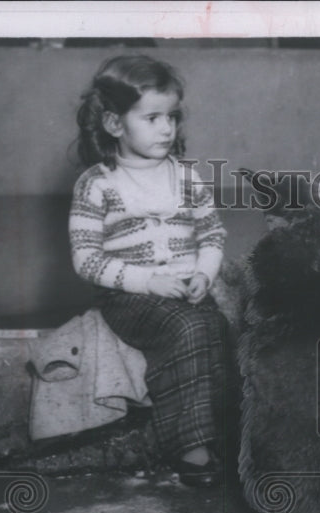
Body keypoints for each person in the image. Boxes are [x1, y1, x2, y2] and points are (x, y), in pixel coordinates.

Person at [70, 54, 229, 487]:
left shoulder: (187, 177)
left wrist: (203, 273)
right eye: (152, 117)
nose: (166, 128)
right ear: (114, 124)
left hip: (183, 287)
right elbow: (86, 259)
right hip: (130, 296)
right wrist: (147, 281)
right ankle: (189, 449)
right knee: (188, 329)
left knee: (218, 327)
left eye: (171, 117)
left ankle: (227, 437)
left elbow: (213, 235)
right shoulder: (98, 183)